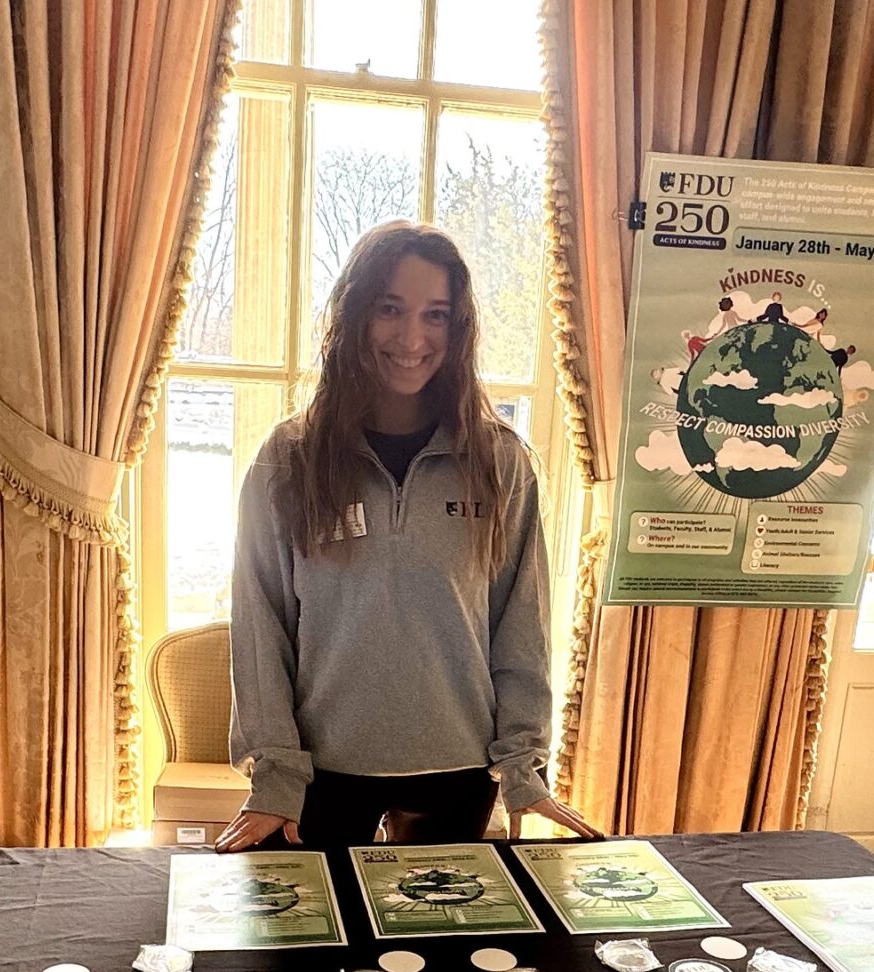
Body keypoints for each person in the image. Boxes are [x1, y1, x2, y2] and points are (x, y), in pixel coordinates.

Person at [216, 221, 601, 852]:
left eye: (436, 315)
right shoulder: (288, 459)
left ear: (459, 328)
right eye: (389, 309)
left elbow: (520, 627)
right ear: (354, 316)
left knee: (447, 949)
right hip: (320, 776)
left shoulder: (501, 460)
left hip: (459, 772)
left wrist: (523, 770)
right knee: (312, 953)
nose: (412, 338)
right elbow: (260, 627)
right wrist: (275, 776)